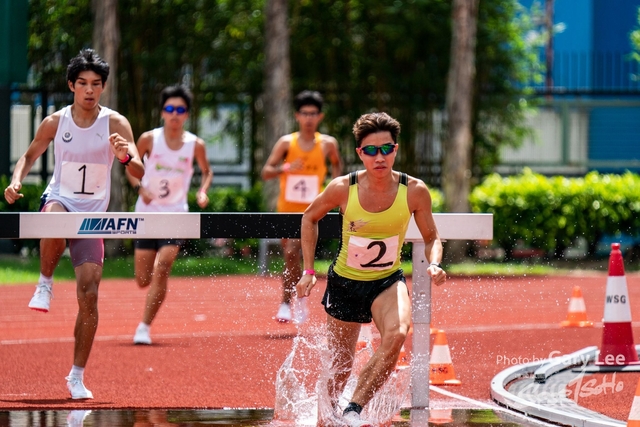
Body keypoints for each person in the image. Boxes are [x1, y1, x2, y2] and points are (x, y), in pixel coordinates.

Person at [3, 48, 144, 399]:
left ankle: (76, 375)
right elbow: (28, 155)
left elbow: (140, 172)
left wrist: (124, 155)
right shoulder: (55, 122)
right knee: (54, 219)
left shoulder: (116, 123)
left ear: (104, 87)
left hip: (94, 216)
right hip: (61, 201)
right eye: (82, 84)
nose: (89, 91)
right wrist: (16, 181)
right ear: (71, 85)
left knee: (90, 294)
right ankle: (45, 281)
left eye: (96, 84)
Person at [295, 112, 447, 426]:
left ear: (396, 149)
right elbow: (309, 218)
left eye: (386, 149)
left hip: (387, 282)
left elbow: (432, 237)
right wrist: (308, 271)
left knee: (396, 334)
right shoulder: (342, 188)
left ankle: (354, 409)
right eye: (371, 151)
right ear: (359, 154)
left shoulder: (414, 191)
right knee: (341, 366)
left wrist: (434, 263)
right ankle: (325, 420)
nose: (380, 157)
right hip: (345, 283)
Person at [126, 85, 213, 345]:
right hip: (147, 214)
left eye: (180, 110)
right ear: (162, 111)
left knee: (162, 267)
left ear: (187, 114)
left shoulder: (195, 144)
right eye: (170, 109)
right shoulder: (149, 139)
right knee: (143, 279)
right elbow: (130, 167)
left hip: (176, 215)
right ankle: (154, 289)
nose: (175, 114)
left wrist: (202, 191)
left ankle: (144, 327)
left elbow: (207, 171)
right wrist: (140, 189)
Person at [261, 90, 342, 324]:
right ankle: (298, 298)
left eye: (313, 114)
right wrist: (285, 169)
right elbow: (266, 171)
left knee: (292, 252)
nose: (308, 118)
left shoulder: (328, 144)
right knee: (290, 257)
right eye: (304, 113)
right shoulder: (287, 143)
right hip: (287, 209)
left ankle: (289, 303)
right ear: (297, 115)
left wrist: (333, 191)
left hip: (313, 210)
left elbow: (338, 165)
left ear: (320, 116)